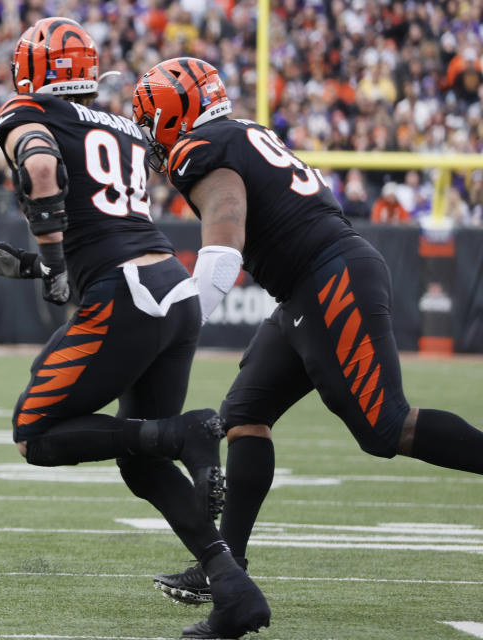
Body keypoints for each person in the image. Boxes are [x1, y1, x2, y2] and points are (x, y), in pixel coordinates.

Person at [132, 57, 483, 621]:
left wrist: (172, 332)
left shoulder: (206, 153)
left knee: (385, 427)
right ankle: (228, 567)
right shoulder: (240, 132)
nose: (150, 134)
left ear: (179, 115)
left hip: (328, 278)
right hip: (306, 286)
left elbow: (222, 258)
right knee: (244, 412)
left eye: (152, 120)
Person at [0, 20, 269, 640]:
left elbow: (44, 173)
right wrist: (34, 264)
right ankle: (232, 587)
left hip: (127, 294)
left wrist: (48, 262)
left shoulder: (25, 113)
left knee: (33, 431)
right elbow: (106, 228)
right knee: (139, 457)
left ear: (32, 70)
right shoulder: (123, 126)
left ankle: (186, 434)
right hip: (169, 288)